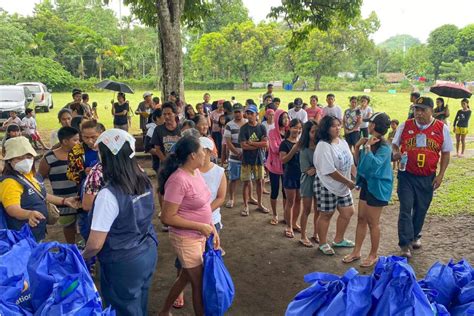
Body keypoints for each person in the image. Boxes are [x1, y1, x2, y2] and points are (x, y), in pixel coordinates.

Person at [82, 129, 158, 315]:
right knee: (139, 301)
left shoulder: (108, 195)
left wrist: (82, 257)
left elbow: (95, 244)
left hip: (122, 261)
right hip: (147, 250)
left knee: (122, 308)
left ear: (107, 156)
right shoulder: (144, 180)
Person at [158, 136, 219, 316]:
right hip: (186, 239)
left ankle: (163, 312)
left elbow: (204, 204)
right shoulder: (178, 180)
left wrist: (211, 227)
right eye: (202, 150)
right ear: (193, 155)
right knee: (199, 283)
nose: (205, 154)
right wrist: (200, 226)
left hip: (200, 235)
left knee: (186, 276)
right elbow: (167, 217)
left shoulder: (196, 172)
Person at [392, 96, 453, 258]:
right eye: (416, 109)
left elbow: (446, 153)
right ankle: (404, 244)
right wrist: (396, 152)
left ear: (431, 110)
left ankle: (414, 236)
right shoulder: (406, 125)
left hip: (427, 177)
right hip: (407, 175)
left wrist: (440, 175)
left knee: (421, 209)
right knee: (405, 208)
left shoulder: (441, 128)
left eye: (422, 110)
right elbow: (394, 143)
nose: (418, 113)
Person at [0, 137, 78, 241]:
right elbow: (12, 209)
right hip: (21, 237)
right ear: (9, 160)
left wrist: (64, 201)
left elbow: (42, 194)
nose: (25, 161)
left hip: (36, 231)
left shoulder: (32, 175)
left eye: (28, 156)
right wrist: (28, 214)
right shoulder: (9, 182)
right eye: (19, 158)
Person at [343, 113, 393, 267]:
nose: (368, 125)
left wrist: (368, 148)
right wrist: (358, 147)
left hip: (377, 188)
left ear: (375, 126)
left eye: (370, 123)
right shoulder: (368, 142)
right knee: (361, 219)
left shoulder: (384, 147)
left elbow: (374, 167)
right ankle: (356, 251)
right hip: (366, 184)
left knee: (373, 222)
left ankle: (373, 254)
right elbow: (360, 164)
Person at [313, 115, 356, 255]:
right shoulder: (323, 145)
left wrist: (356, 176)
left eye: (339, 125)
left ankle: (338, 240)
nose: (337, 128)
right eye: (333, 126)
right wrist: (349, 182)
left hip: (343, 185)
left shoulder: (342, 141)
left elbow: (350, 162)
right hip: (327, 185)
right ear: (326, 128)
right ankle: (323, 243)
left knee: (348, 211)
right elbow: (330, 171)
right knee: (326, 214)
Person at [38, 127, 81, 244]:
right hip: (63, 200)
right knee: (68, 225)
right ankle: (72, 248)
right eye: (75, 140)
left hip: (81, 198)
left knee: (84, 224)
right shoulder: (49, 158)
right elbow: (39, 179)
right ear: (65, 141)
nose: (78, 143)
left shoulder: (80, 154)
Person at [67, 120, 105, 240]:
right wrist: (83, 173)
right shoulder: (77, 151)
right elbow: (70, 173)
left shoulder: (109, 147)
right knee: (88, 224)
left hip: (107, 192)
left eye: (93, 137)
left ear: (101, 133)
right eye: (85, 137)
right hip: (87, 195)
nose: (89, 141)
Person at [239, 104, 269, 216]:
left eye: (252, 113)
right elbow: (243, 146)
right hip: (246, 160)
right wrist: (258, 145)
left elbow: (265, 143)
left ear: (256, 114)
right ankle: (246, 206)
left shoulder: (261, 127)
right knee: (246, 182)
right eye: (248, 113)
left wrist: (251, 143)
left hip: (259, 159)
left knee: (260, 182)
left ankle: (260, 204)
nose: (249, 115)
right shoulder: (244, 128)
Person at [279, 119, 303, 239]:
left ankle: (294, 223)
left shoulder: (301, 142)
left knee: (299, 200)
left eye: (299, 128)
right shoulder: (284, 143)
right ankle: (288, 226)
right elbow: (283, 160)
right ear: (289, 128)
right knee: (290, 201)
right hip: (289, 175)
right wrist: (295, 148)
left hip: (301, 175)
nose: (297, 130)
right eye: (295, 128)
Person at [299, 120, 320, 247]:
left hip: (319, 182)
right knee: (307, 209)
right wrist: (319, 168)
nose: (315, 134)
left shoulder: (321, 146)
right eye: (312, 132)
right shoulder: (304, 149)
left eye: (317, 131)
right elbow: (308, 170)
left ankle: (316, 233)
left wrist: (316, 169)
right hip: (307, 182)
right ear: (307, 133)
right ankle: (303, 235)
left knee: (318, 209)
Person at [266, 109, 289, 225]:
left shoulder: (289, 131)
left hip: (286, 167)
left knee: (286, 191)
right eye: (283, 117)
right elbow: (275, 149)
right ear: (278, 119)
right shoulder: (272, 133)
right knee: (274, 190)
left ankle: (286, 214)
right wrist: (288, 147)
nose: (286, 120)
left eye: (287, 117)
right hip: (274, 166)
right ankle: (275, 214)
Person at [223, 104, 247, 208]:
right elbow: (228, 142)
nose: (237, 114)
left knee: (248, 180)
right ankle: (231, 198)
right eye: (236, 112)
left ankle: (248, 198)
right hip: (234, 157)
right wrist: (237, 153)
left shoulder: (247, 123)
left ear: (243, 112)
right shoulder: (229, 125)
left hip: (247, 157)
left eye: (239, 112)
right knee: (233, 179)